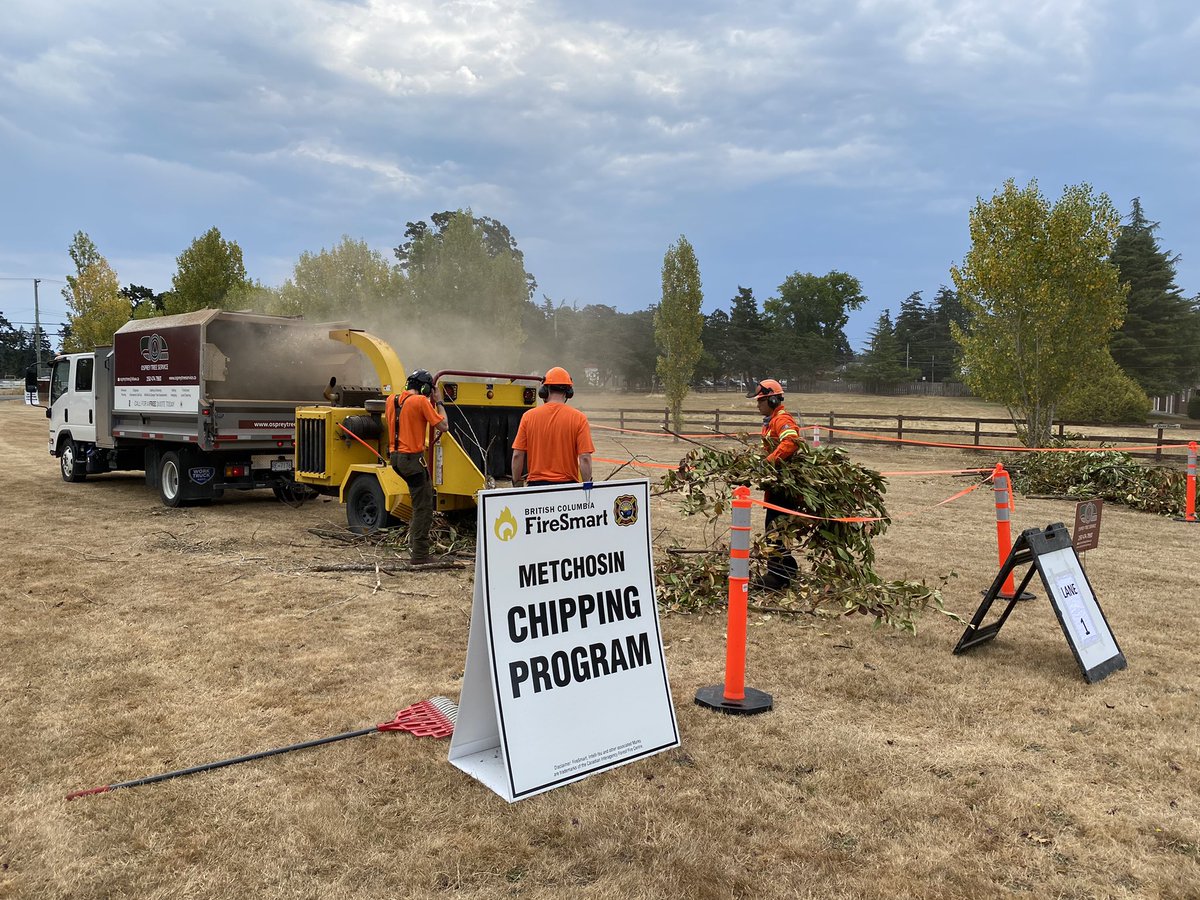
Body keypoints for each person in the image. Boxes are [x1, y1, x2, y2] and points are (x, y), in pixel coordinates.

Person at [386, 368, 450, 563]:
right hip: (412, 460)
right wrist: (438, 401)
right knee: (423, 507)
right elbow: (444, 426)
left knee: (418, 502)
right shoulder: (421, 401)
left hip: (396, 458)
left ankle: (417, 544)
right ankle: (420, 553)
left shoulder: (391, 400)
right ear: (425, 389)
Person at [753, 378, 805, 590]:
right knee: (775, 529)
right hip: (776, 486)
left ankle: (776, 578)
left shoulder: (781, 420)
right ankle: (788, 570)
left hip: (784, 488)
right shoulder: (770, 421)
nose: (757, 405)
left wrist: (769, 462)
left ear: (773, 400)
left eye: (761, 401)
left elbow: (791, 441)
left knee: (774, 531)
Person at [511, 366, 595, 487]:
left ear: (544, 391)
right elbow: (585, 458)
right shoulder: (579, 418)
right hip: (567, 488)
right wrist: (587, 486)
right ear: (569, 392)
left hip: (536, 487)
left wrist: (516, 483)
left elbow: (517, 455)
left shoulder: (528, 417)